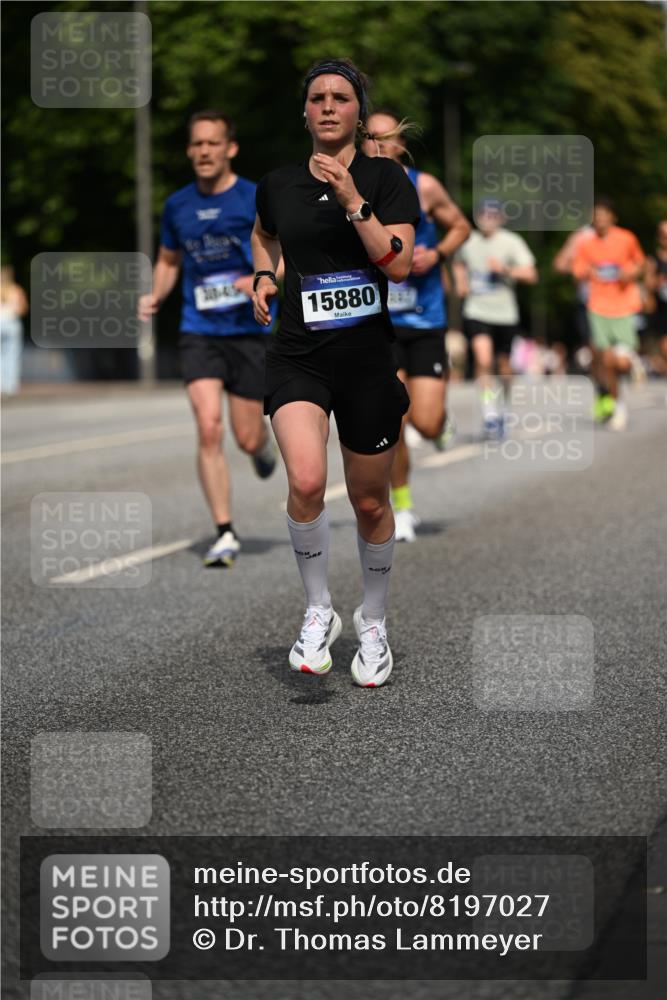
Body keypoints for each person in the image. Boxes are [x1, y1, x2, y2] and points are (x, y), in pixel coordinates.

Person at [252, 58, 419, 687]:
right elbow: (264, 234)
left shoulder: (386, 178)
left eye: (340, 98)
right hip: (298, 353)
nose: (327, 106)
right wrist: (264, 274)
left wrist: (352, 200)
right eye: (317, 97)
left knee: (370, 500)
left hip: (366, 360)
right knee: (305, 479)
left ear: (357, 111)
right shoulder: (278, 183)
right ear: (304, 112)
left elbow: (396, 264)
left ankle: (372, 620)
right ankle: (318, 608)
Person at [138, 110, 278, 567]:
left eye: (212, 143)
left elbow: (281, 254)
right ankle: (224, 531)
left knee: (245, 436)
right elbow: (168, 259)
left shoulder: (254, 197)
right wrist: (156, 295)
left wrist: (260, 280)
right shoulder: (177, 205)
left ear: (230, 148)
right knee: (208, 427)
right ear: (189, 150)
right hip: (199, 330)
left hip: (249, 331)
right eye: (197, 144)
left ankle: (261, 447)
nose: (204, 151)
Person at [362, 110, 470, 542]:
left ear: (401, 144)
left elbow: (460, 225)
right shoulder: (354, 188)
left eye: (387, 136)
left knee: (425, 422)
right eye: (371, 136)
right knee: (395, 419)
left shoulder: (423, 186)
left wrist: (436, 254)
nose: (378, 144)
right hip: (379, 324)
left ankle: (440, 423)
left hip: (425, 320)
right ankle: (402, 507)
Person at [453, 200, 538, 439]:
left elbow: (532, 274)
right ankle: (490, 413)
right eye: (483, 214)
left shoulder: (511, 242)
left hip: (505, 314)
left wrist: (505, 270)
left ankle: (503, 409)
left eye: (492, 215)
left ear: (501, 218)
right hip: (476, 311)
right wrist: (461, 282)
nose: (487, 219)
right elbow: (458, 262)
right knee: (483, 359)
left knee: (505, 368)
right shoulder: (468, 241)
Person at [572, 197, 645, 431]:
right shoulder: (586, 243)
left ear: (613, 217)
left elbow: (640, 264)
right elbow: (577, 271)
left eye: (604, 216)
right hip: (597, 307)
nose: (600, 220)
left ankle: (634, 362)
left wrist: (629, 273)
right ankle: (619, 407)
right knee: (606, 362)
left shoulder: (626, 238)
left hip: (624, 305)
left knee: (620, 361)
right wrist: (588, 271)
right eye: (596, 216)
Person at [0, 265, 28, 396]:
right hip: (12, 323)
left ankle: (1, 385)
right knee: (12, 355)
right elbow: (23, 308)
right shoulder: (16, 290)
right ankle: (11, 386)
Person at [644, 219, 667, 377]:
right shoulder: (653, 260)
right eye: (663, 235)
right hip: (662, 312)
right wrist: (658, 282)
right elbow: (648, 285)